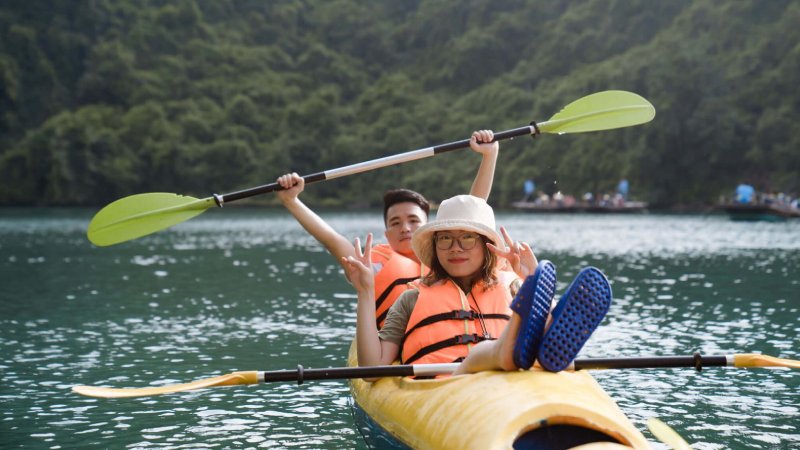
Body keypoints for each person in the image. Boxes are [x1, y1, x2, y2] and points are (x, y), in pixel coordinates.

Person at [342, 195, 613, 377]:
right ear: (435, 248)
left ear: (487, 247)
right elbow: (371, 369)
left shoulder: (512, 286)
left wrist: (529, 279)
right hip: (447, 385)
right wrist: (366, 292)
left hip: (511, 383)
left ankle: (539, 319)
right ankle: (504, 348)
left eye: (468, 238)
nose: (455, 248)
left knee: (544, 331)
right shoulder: (411, 298)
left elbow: (559, 346)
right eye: (445, 238)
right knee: (476, 358)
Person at [276, 130, 500, 328]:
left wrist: (489, 156)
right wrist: (292, 201)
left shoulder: (450, 254)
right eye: (395, 223)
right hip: (397, 343)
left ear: (432, 229)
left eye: (413, 220)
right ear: (387, 234)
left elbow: (473, 210)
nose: (405, 228)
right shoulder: (372, 264)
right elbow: (331, 239)